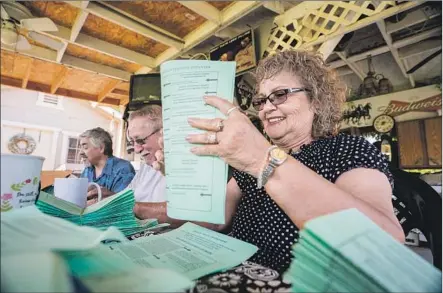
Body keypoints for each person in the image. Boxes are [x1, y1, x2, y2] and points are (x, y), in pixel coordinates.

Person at [134, 50, 405, 272]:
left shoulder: (346, 149)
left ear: (317, 101)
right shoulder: (245, 164)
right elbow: (215, 220)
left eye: (280, 95)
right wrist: (181, 180)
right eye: (261, 100)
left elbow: (381, 247)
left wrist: (262, 159)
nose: (266, 107)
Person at [79, 127, 135, 203]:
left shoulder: (123, 169)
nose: (80, 153)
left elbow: (124, 205)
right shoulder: (87, 170)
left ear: (101, 148)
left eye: (85, 147)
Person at [126, 105, 166, 202]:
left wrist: (135, 208)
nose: (136, 150)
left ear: (163, 134)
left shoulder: (184, 165)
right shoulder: (146, 166)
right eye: (132, 142)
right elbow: (127, 197)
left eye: (140, 140)